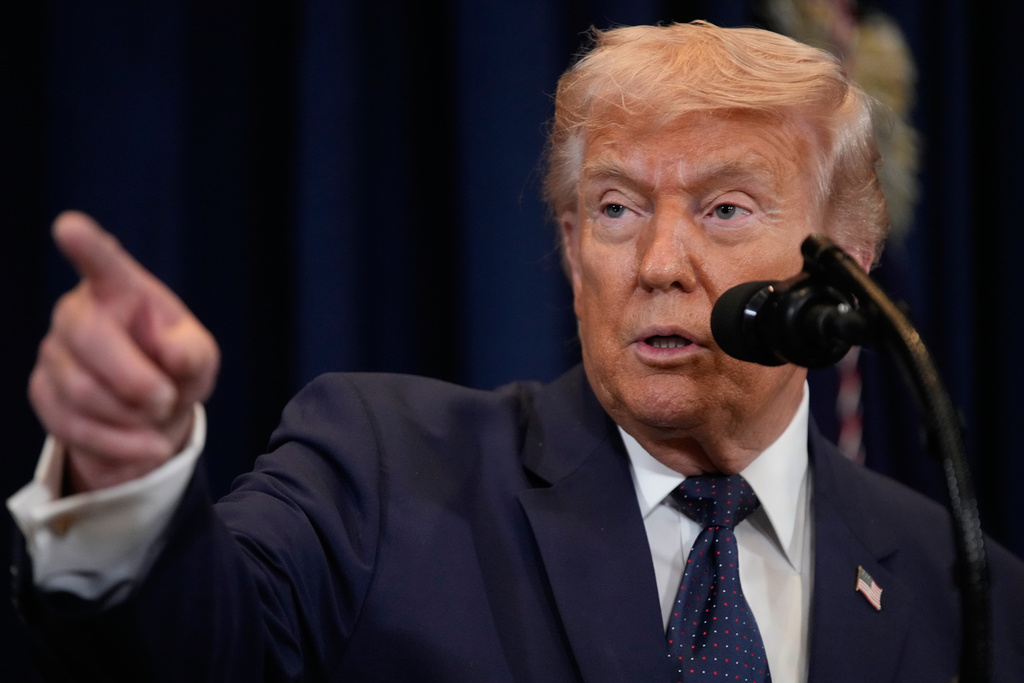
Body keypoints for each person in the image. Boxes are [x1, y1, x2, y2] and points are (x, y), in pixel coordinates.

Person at [8, 20, 1024, 682]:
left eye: (722, 208)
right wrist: (128, 478)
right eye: (616, 207)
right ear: (571, 244)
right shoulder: (380, 470)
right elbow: (190, 650)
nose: (659, 262)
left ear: (841, 264)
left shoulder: (968, 587)